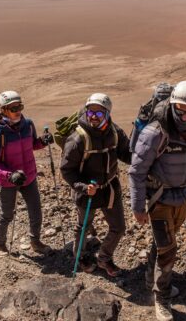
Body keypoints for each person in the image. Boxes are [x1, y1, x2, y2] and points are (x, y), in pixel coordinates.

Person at [128, 81, 186, 321]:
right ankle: (162, 298)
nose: (184, 116)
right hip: (159, 197)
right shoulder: (156, 132)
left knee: (165, 241)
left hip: (183, 196)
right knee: (168, 249)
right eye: (179, 110)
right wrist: (137, 206)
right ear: (172, 104)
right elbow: (136, 171)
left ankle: (149, 279)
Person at [60, 93, 131, 277]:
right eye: (90, 112)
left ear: (107, 114)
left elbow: (127, 154)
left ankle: (104, 258)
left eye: (98, 114)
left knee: (118, 227)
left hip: (109, 188)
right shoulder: (77, 139)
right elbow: (67, 170)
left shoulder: (115, 133)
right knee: (83, 226)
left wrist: (144, 154)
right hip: (87, 191)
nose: (93, 116)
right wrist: (83, 187)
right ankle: (81, 257)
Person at [0, 90, 53, 256]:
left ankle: (35, 242)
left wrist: (43, 142)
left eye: (20, 106)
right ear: (3, 110)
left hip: (29, 177)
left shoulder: (28, 125)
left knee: (36, 211)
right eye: (13, 108)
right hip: (9, 181)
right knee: (7, 214)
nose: (18, 111)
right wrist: (10, 175)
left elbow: (32, 145)